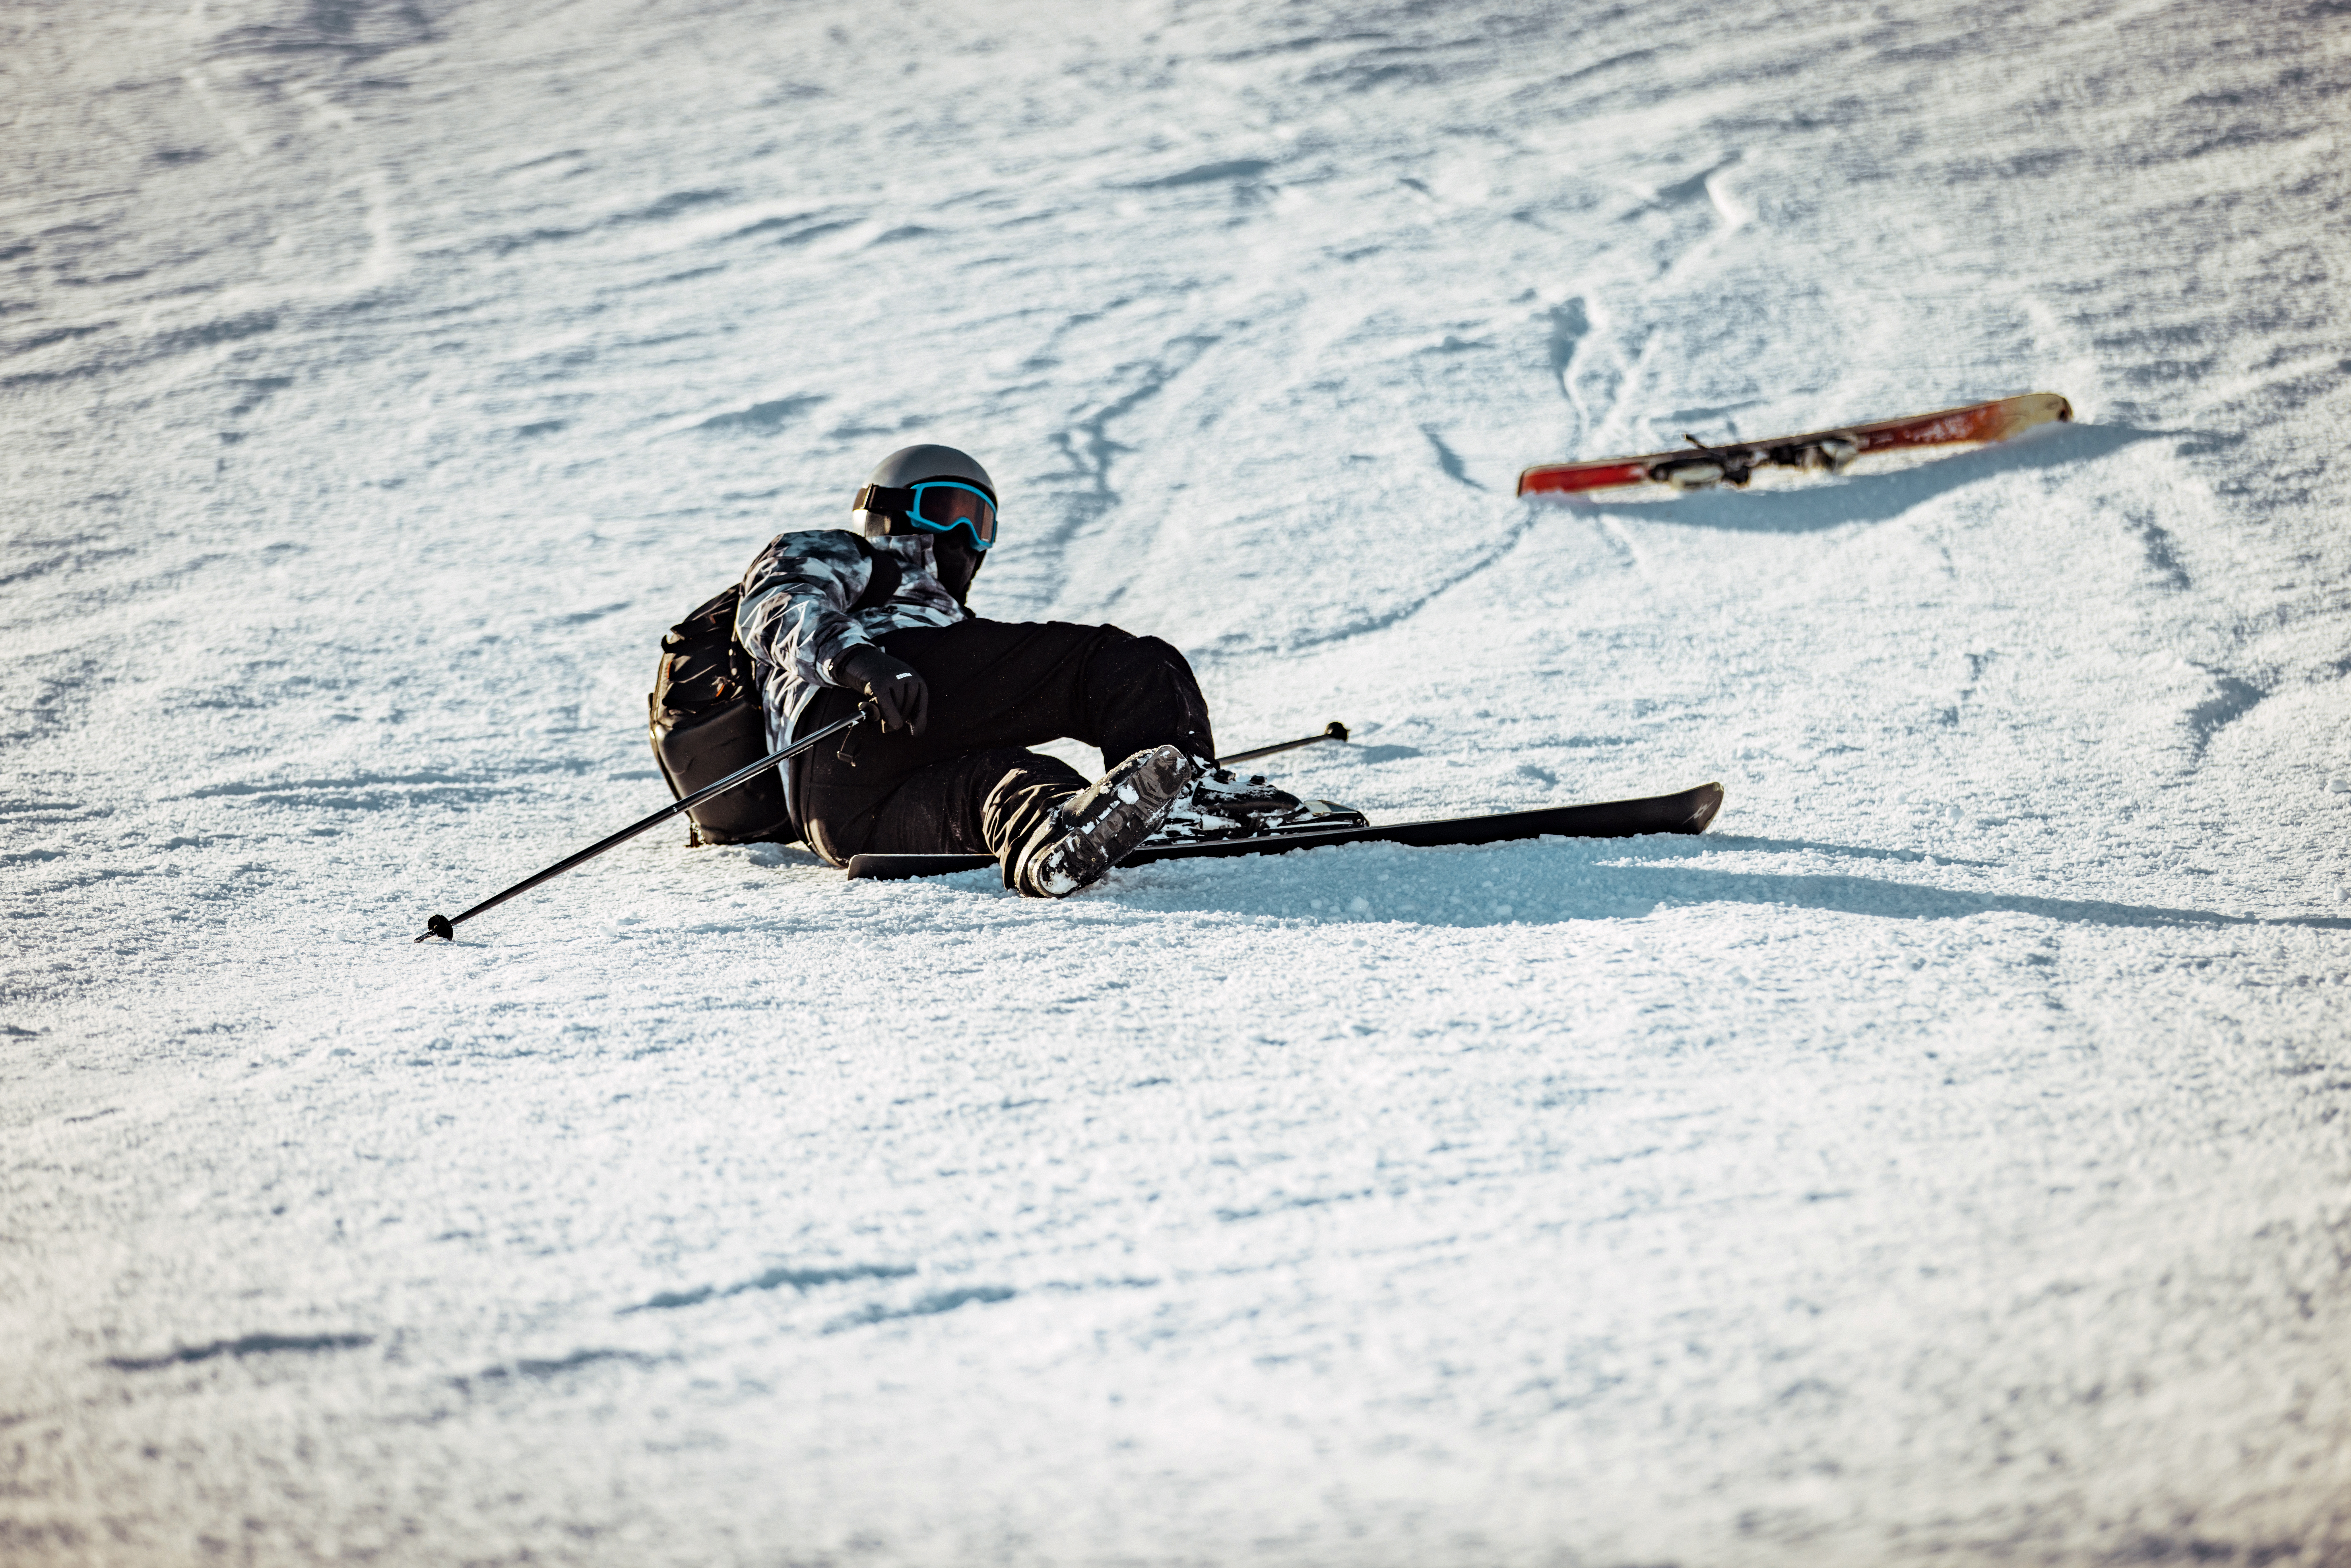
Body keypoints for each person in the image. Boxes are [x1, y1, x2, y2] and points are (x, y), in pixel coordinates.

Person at [735, 444, 1308, 897]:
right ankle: (1183, 800)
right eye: (942, 509)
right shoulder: (851, 555)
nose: (963, 536)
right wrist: (863, 661)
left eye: (978, 521)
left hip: (848, 820)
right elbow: (771, 602)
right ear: (885, 512)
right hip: (852, 717)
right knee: (1118, 663)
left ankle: (1056, 836)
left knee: (1009, 779)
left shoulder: (953, 619)